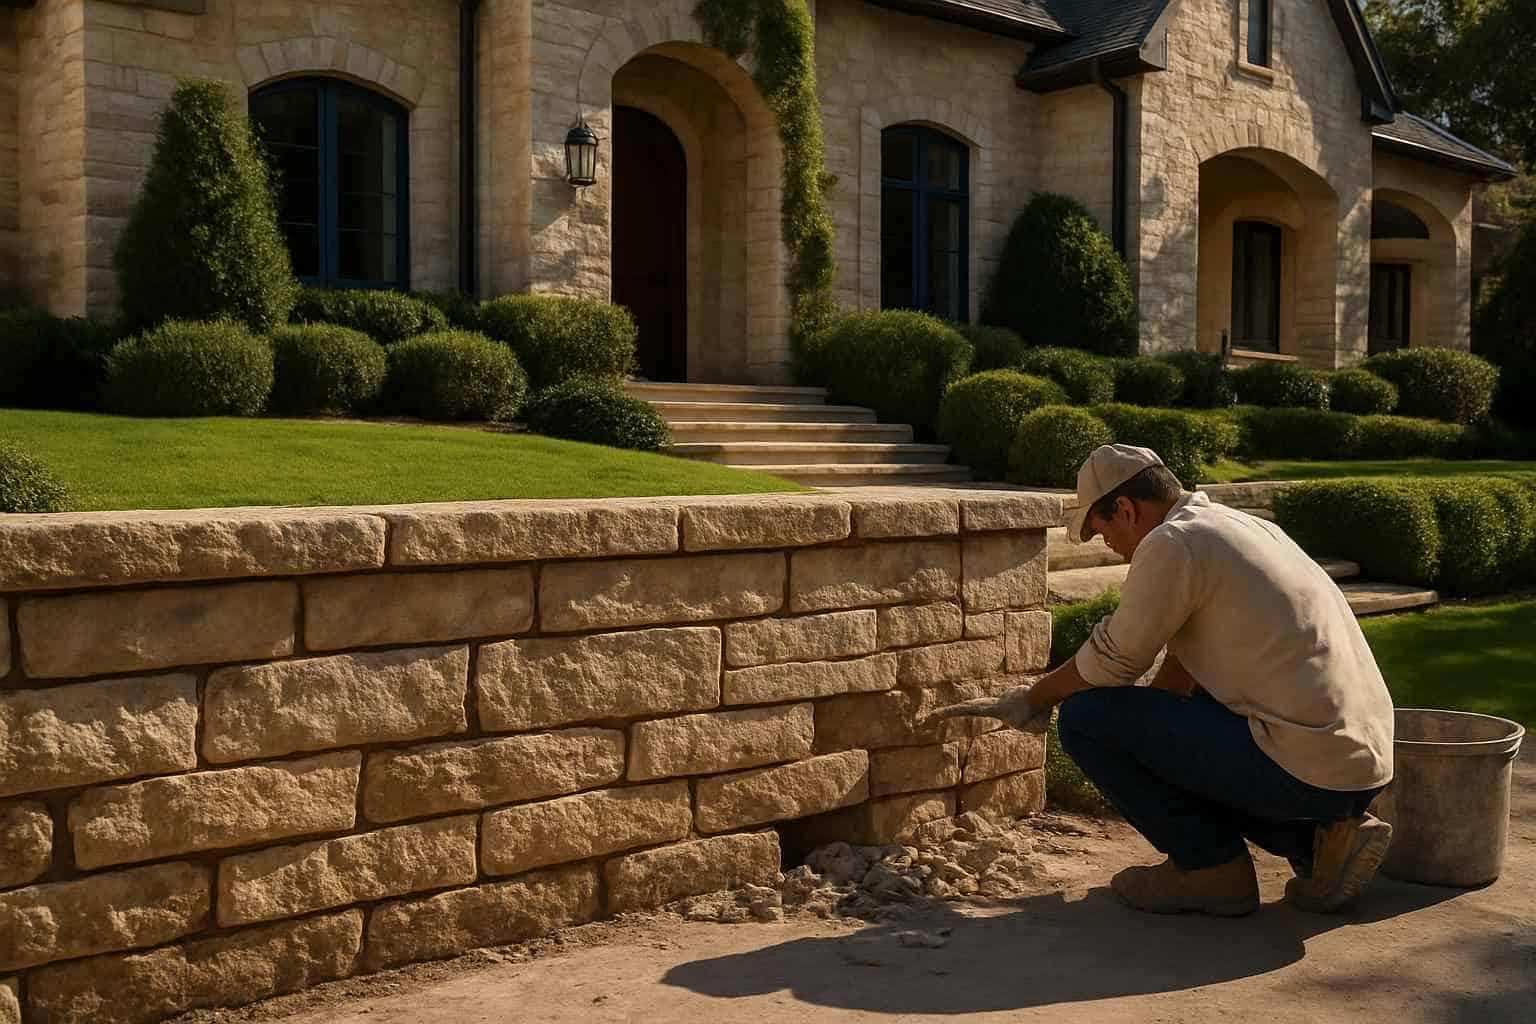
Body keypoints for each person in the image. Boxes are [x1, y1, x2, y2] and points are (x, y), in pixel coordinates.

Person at [930, 444, 1396, 916]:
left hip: (1310, 769)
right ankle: (1322, 844)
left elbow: (1114, 660)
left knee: (1086, 718)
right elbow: (1182, 665)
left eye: (1101, 529)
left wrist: (1032, 698)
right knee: (1158, 733)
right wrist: (1151, 749)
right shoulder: (1237, 527)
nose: (1106, 544)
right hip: (1356, 765)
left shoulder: (1173, 542)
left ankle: (1211, 870)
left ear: (1126, 509)